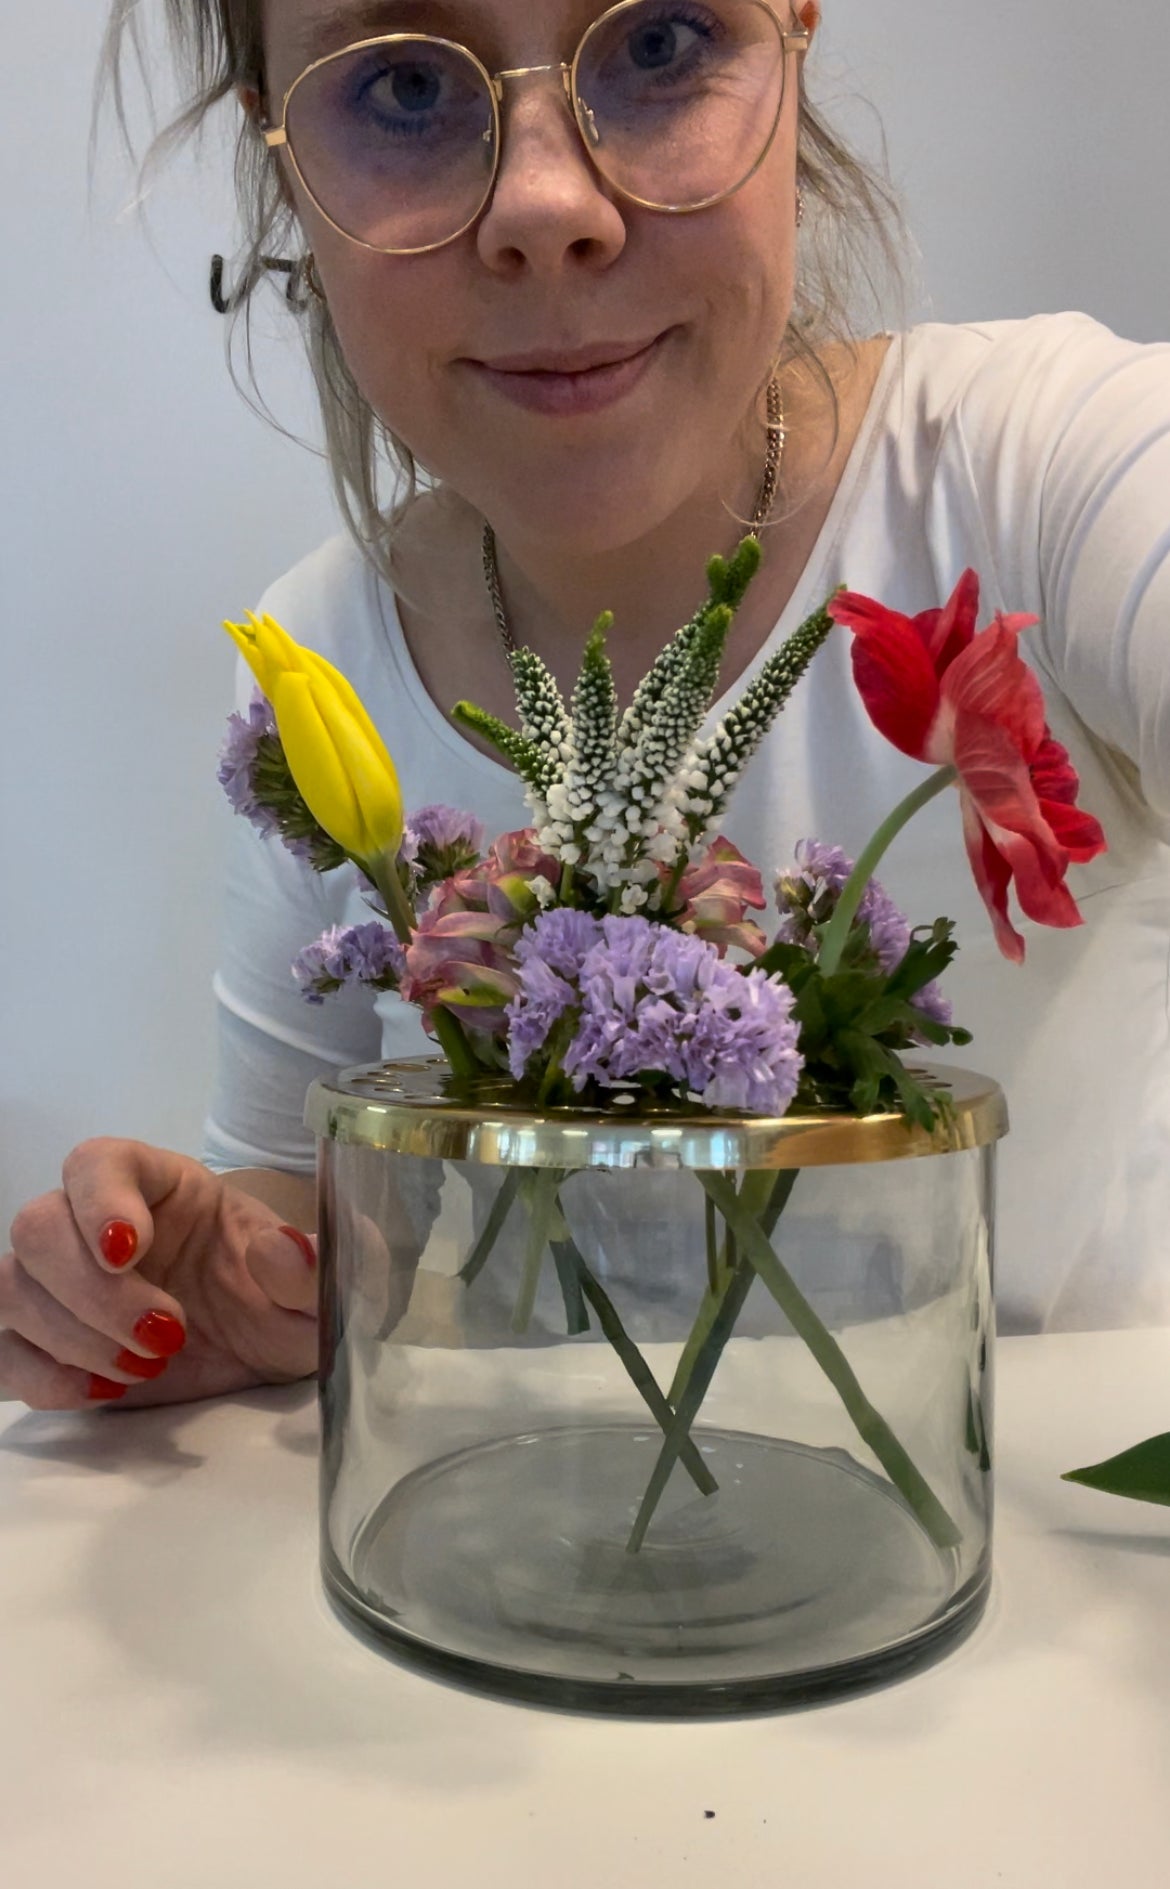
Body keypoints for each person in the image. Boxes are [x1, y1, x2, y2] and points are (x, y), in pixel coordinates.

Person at [1, 0, 1167, 1413]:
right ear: (279, 149)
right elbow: (287, 1201)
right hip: (510, 1578)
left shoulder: (1045, 472)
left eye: (662, 41)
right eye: (404, 87)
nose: (547, 208)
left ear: (791, 34)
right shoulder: (315, 666)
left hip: (1034, 1594)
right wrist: (228, 1286)